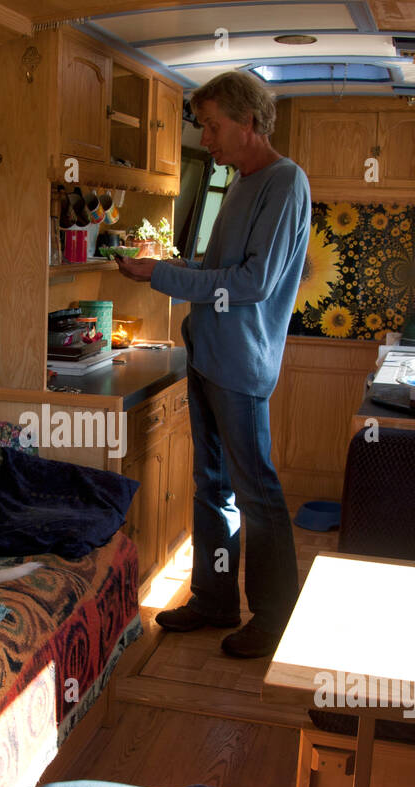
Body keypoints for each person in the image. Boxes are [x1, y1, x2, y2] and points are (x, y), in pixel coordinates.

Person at [116, 71, 311, 658]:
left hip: (241, 366)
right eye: (203, 125)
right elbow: (218, 266)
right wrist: (170, 264)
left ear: (248, 123)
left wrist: (163, 275)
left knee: (258, 494)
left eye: (212, 124)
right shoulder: (238, 183)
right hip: (206, 354)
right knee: (214, 488)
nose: (206, 138)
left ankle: (275, 617)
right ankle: (214, 598)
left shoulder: (285, 182)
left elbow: (253, 283)